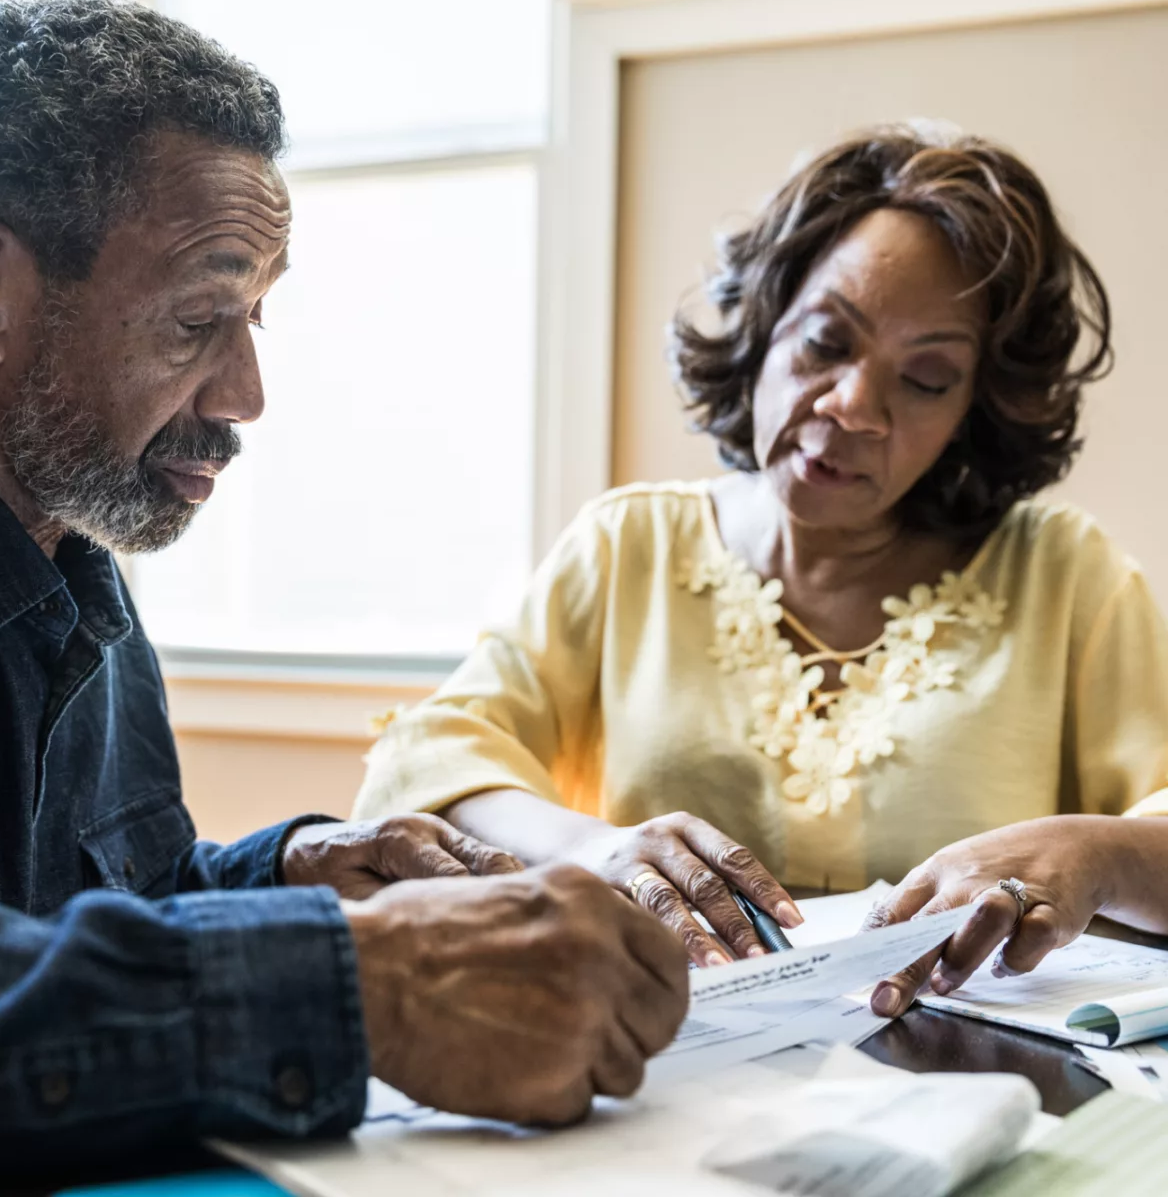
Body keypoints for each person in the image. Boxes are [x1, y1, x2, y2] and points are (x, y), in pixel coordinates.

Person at [0, 0, 690, 1188]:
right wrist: (347, 985)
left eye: (254, 316)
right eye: (199, 319)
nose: (248, 393)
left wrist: (293, 875)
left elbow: (111, 905)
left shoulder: (77, 551)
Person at [354, 123, 1168, 1013]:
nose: (852, 406)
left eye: (926, 379)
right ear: (768, 324)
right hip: (659, 1070)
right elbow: (428, 762)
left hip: (975, 1079)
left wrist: (1095, 852)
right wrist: (594, 849)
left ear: (976, 409)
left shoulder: (1066, 578)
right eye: (825, 341)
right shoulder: (631, 547)